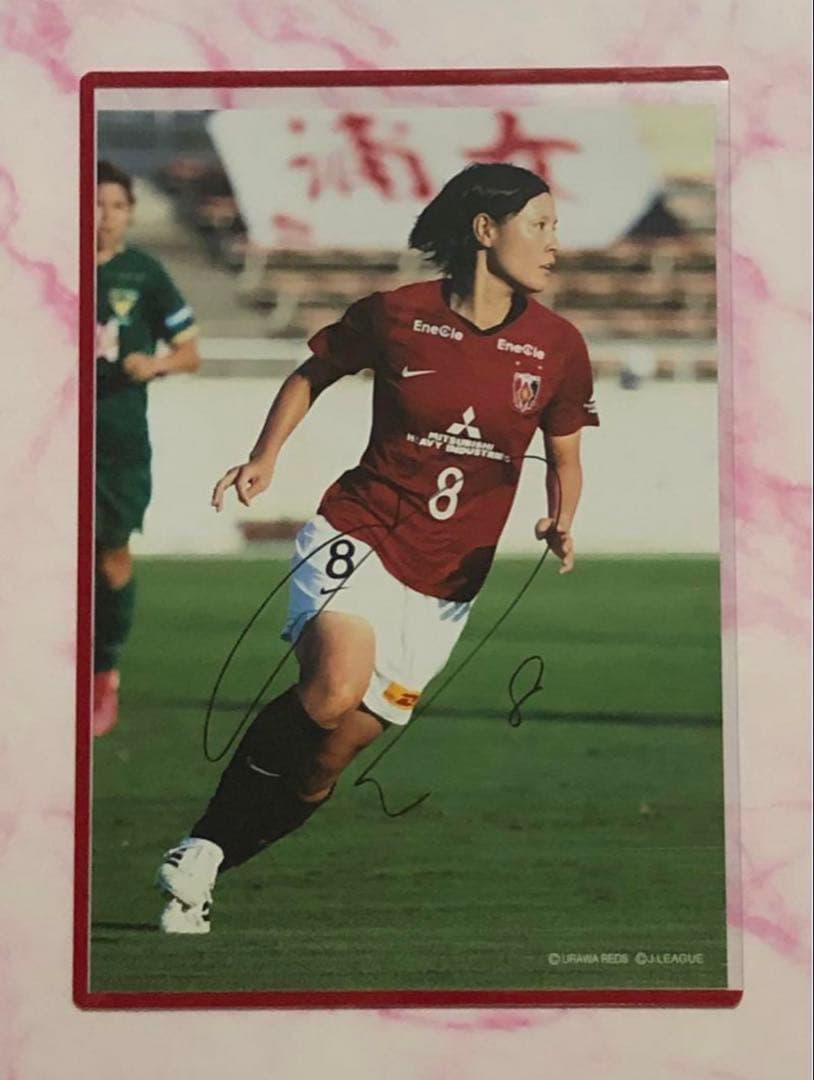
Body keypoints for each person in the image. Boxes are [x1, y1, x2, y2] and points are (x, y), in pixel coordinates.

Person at [155, 161, 599, 933]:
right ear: (485, 230)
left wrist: (561, 518)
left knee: (324, 764)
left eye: (555, 227)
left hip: (447, 584)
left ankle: (205, 862)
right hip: (360, 528)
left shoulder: (557, 346)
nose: (554, 242)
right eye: (540, 225)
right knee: (332, 690)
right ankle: (200, 849)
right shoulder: (397, 315)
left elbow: (565, 457)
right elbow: (312, 373)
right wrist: (264, 457)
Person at [94, 160, 201, 736]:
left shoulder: (143, 273)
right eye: (95, 204)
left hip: (118, 445)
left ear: (131, 213)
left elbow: (190, 352)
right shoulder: (45, 265)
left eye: (116, 206)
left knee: (110, 557)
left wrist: (155, 364)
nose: (104, 217)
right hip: (48, 446)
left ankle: (103, 673)